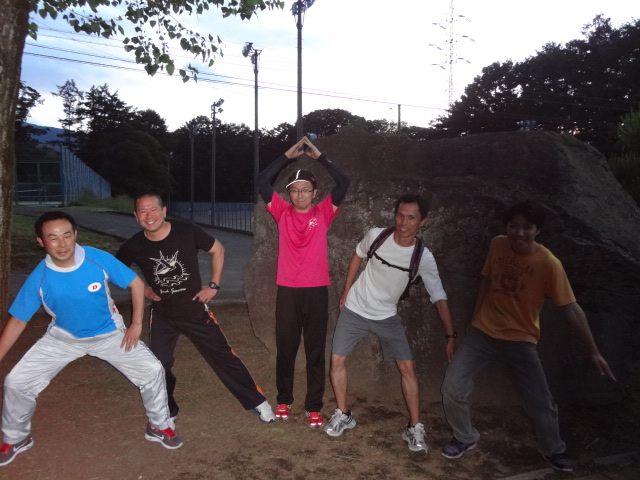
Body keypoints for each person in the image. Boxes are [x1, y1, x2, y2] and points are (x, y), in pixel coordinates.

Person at [440, 200, 616, 472]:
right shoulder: (498, 244)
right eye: (514, 226)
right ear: (507, 227)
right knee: (452, 387)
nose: (519, 233)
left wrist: (593, 350)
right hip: (483, 332)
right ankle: (465, 436)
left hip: (521, 340)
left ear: (538, 230)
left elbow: (570, 307)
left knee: (541, 403)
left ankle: (553, 449)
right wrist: (475, 319)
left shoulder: (549, 263)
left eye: (528, 227)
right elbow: (486, 280)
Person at [0, 211, 182, 467]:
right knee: (16, 382)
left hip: (109, 334)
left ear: (75, 235)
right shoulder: (40, 278)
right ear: (41, 241)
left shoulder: (96, 258)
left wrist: (136, 324)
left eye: (67, 235)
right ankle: (16, 438)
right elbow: (18, 320)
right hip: (63, 338)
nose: (62, 244)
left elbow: (136, 284)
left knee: (152, 369)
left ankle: (159, 426)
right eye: (53, 238)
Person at [116, 194, 275, 424]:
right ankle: (168, 410)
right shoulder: (134, 245)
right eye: (143, 211)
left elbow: (218, 250)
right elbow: (117, 271)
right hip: (163, 316)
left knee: (223, 357)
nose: (149, 215)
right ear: (136, 216)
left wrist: (214, 285)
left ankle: (257, 401)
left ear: (164, 211)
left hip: (195, 311)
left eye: (153, 209)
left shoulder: (186, 231)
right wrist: (145, 290)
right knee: (159, 365)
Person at [322, 194, 455, 453]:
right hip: (355, 308)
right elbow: (358, 255)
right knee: (337, 360)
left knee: (407, 368)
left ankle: (414, 427)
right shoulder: (377, 236)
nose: (404, 222)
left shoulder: (422, 256)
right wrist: (346, 291)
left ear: (422, 221)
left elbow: (438, 295)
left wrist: (451, 336)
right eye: (400, 215)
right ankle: (344, 414)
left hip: (387, 316)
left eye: (411, 218)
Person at [257, 136, 350, 427]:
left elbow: (344, 182)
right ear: (289, 194)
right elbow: (261, 181)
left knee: (315, 350)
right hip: (287, 290)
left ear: (314, 193)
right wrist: (287, 156)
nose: (300, 195)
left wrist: (319, 157)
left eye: (305, 190)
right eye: (295, 190)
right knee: (286, 348)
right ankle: (284, 400)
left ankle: (314, 406)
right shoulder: (281, 211)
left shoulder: (323, 212)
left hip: (316, 290)